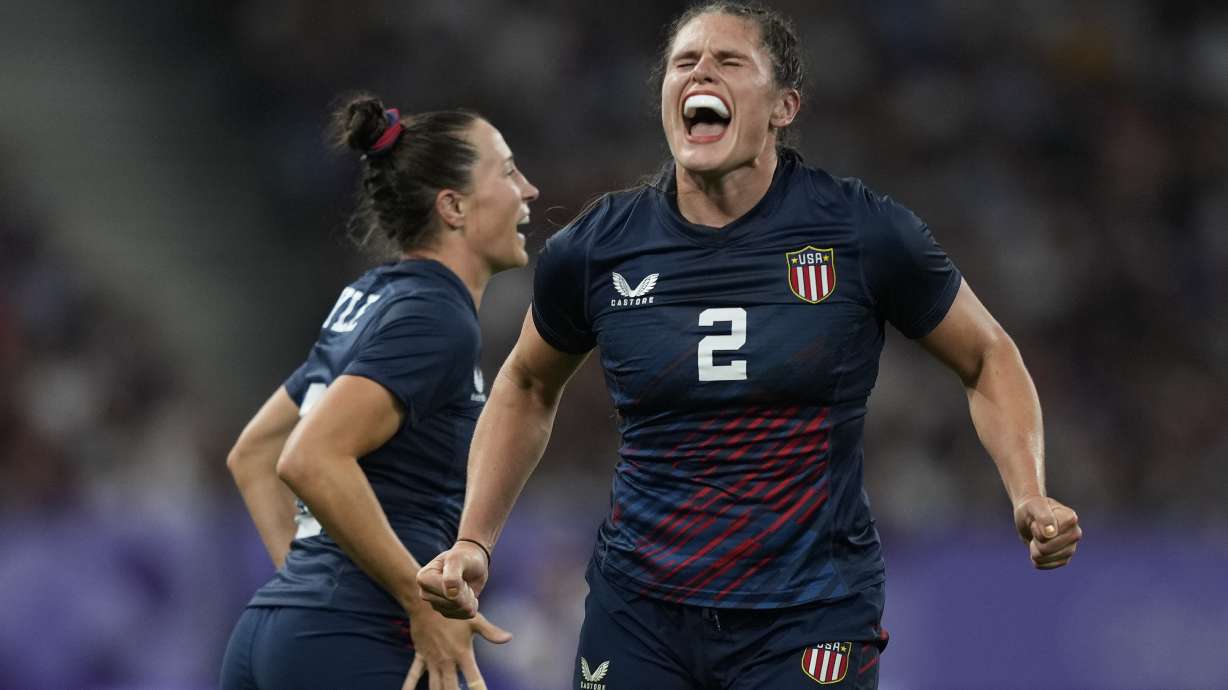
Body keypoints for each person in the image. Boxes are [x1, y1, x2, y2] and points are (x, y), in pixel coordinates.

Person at [419, 2, 1081, 689]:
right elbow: (527, 384)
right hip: (641, 613)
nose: (701, 71)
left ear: (782, 107)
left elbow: (986, 356)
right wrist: (475, 541)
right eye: (684, 62)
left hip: (809, 616)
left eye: (729, 61)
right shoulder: (597, 248)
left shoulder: (860, 232)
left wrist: (1027, 493)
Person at [220, 93, 539, 690]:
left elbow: (254, 454)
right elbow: (307, 457)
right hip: (356, 637)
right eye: (508, 170)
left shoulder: (373, 297)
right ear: (454, 206)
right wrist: (415, 604)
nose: (529, 190)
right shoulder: (435, 316)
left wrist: (309, 591)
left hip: (284, 630)